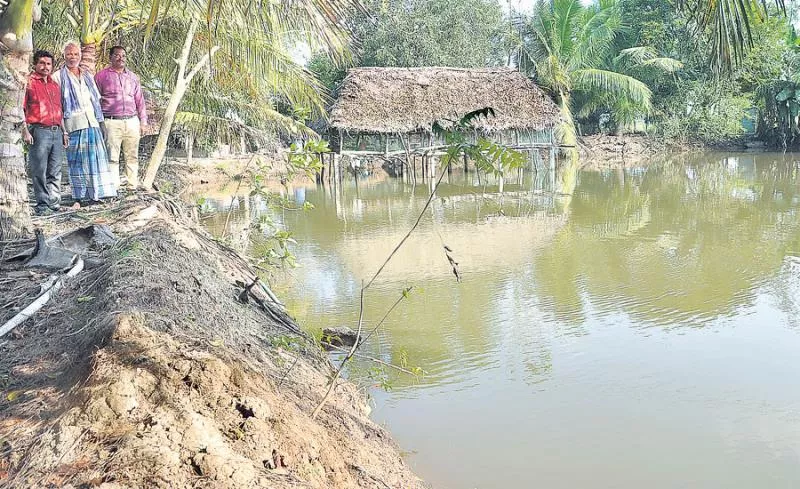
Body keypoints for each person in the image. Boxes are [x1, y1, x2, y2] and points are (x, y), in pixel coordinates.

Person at [53, 41, 116, 206]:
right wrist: (64, 131)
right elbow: (57, 106)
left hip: (92, 123)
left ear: (80, 56)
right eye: (69, 54)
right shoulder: (58, 77)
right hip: (73, 125)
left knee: (95, 161)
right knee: (77, 163)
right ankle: (79, 198)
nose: (72, 57)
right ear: (64, 56)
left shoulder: (87, 76)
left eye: (75, 54)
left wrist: (102, 125)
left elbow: (95, 100)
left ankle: (97, 195)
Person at [22, 50, 69, 215]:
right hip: (39, 131)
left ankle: (54, 204)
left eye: (48, 64)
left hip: (57, 132)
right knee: (39, 170)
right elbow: (21, 108)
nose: (45, 66)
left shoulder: (54, 85)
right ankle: (42, 205)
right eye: (42, 63)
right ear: (35, 64)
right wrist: (25, 131)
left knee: (55, 170)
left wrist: (64, 132)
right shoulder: (28, 83)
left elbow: (60, 111)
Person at [95, 45, 148, 190]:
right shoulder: (101, 76)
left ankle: (132, 186)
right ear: (110, 57)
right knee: (112, 157)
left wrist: (143, 121)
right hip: (111, 122)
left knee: (132, 156)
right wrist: (99, 122)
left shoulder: (132, 77)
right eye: (117, 55)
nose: (121, 58)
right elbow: (95, 100)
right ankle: (114, 188)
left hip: (131, 121)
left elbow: (140, 100)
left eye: (123, 56)